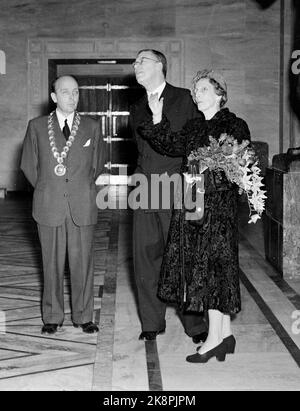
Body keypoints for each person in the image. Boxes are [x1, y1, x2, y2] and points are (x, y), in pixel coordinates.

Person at [139, 69, 251, 362]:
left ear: (219, 94)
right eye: (195, 89)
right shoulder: (193, 126)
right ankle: (225, 335)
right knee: (204, 266)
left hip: (217, 207)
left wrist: (207, 172)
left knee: (214, 268)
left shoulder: (235, 125)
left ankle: (213, 339)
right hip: (192, 200)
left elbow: (239, 169)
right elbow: (168, 144)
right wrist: (157, 115)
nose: (196, 94)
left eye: (202, 89)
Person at [130, 49, 208, 342]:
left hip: (180, 187)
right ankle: (151, 322)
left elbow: (197, 149)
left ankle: (195, 325)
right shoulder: (136, 106)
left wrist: (196, 198)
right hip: (145, 189)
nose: (135, 66)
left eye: (142, 61)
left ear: (160, 66)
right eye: (135, 62)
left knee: (186, 258)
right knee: (145, 256)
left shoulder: (185, 99)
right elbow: (140, 151)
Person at [21, 75, 105, 335]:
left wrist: (78, 188)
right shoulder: (36, 126)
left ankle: (84, 316)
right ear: (54, 97)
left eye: (76, 92)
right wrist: (50, 188)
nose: (72, 96)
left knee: (82, 264)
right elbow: (28, 166)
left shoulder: (92, 126)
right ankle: (52, 317)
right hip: (49, 205)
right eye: (66, 92)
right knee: (51, 264)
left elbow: (98, 163)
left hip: (82, 204)